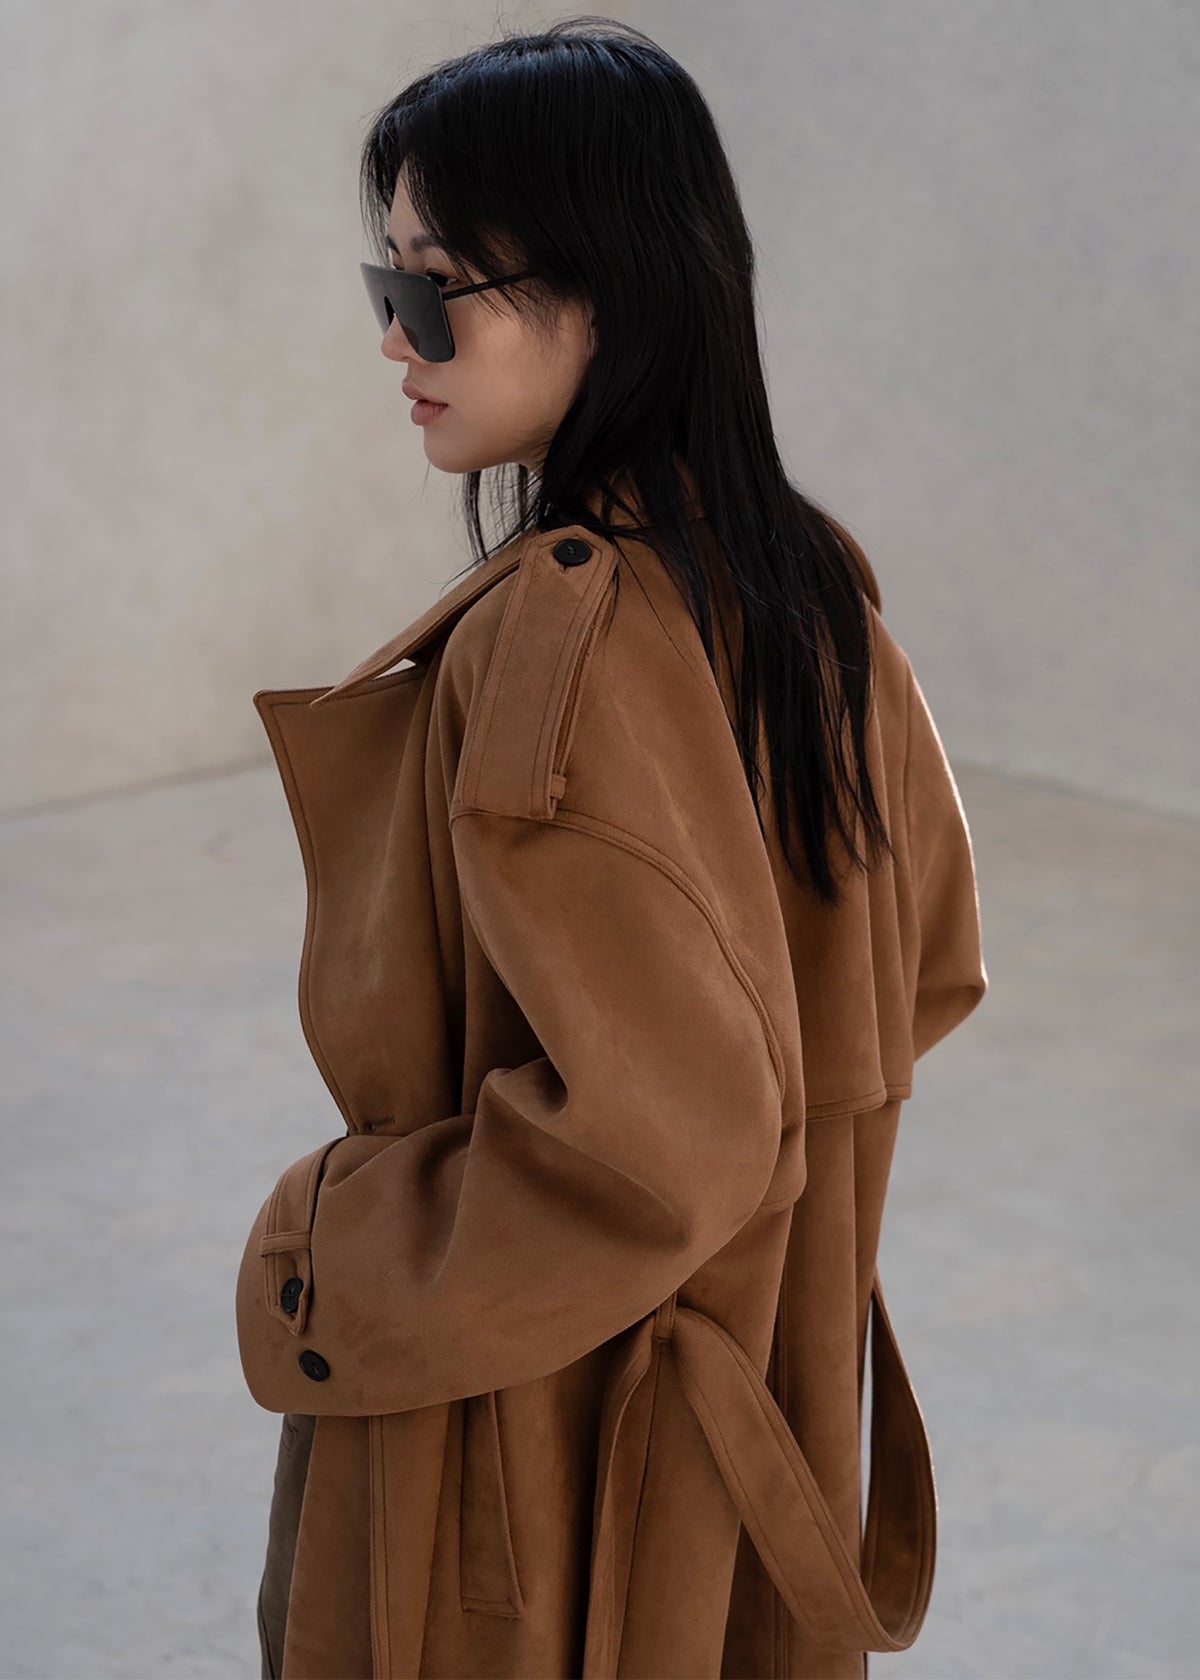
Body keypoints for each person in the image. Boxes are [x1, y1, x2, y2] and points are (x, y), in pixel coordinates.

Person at [236, 17, 988, 1680]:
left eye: (438, 288)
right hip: (760, 1395)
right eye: (386, 283)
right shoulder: (809, 586)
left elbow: (669, 1142)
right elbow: (927, 970)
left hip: (544, 1446)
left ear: (612, 286)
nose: (396, 336)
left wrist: (332, 1244)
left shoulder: (556, 644)